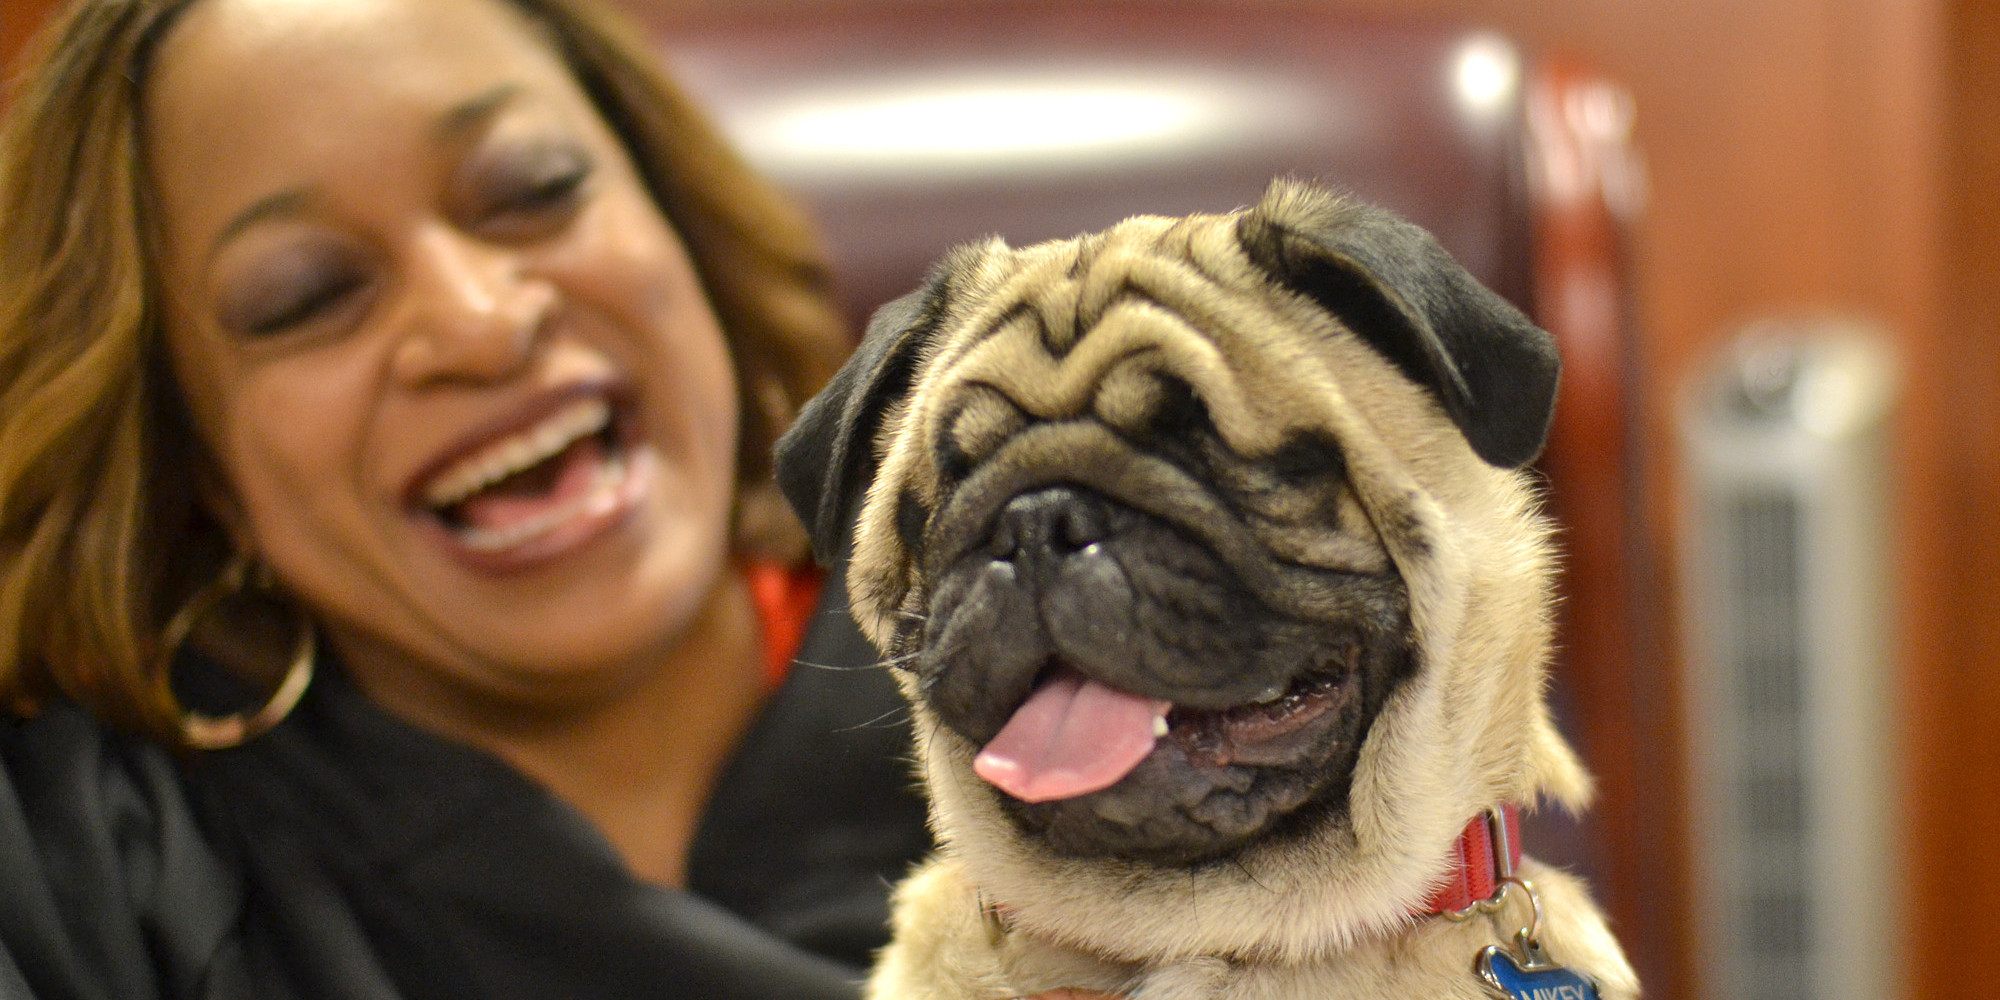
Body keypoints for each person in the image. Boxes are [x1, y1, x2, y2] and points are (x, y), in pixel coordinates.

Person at [0, 0, 943, 996]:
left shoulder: (1055, 654)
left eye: (534, 190)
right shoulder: (88, 874)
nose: (478, 322)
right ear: (193, 466)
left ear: (677, 221)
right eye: (308, 294)